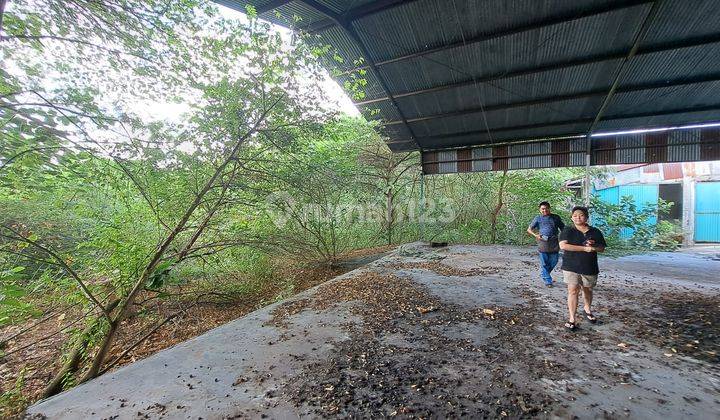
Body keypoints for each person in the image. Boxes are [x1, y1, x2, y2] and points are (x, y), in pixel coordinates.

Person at [559, 206, 606, 331]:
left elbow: (601, 248)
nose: (577, 218)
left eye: (581, 215)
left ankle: (587, 309)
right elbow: (563, 246)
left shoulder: (595, 232)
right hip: (571, 265)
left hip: (589, 265)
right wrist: (584, 248)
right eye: (575, 215)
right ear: (571, 217)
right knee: (573, 290)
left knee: (587, 289)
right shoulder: (567, 230)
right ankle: (572, 318)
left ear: (586, 217)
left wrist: (593, 247)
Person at [527, 201, 565, 287]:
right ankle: (548, 281)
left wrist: (565, 237)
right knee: (544, 262)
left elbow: (563, 228)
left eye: (546, 208)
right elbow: (529, 229)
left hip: (554, 241)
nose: (545, 210)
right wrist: (535, 235)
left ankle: (544, 274)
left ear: (549, 208)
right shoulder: (538, 218)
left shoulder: (556, 217)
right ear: (540, 210)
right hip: (542, 241)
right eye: (543, 209)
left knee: (554, 261)